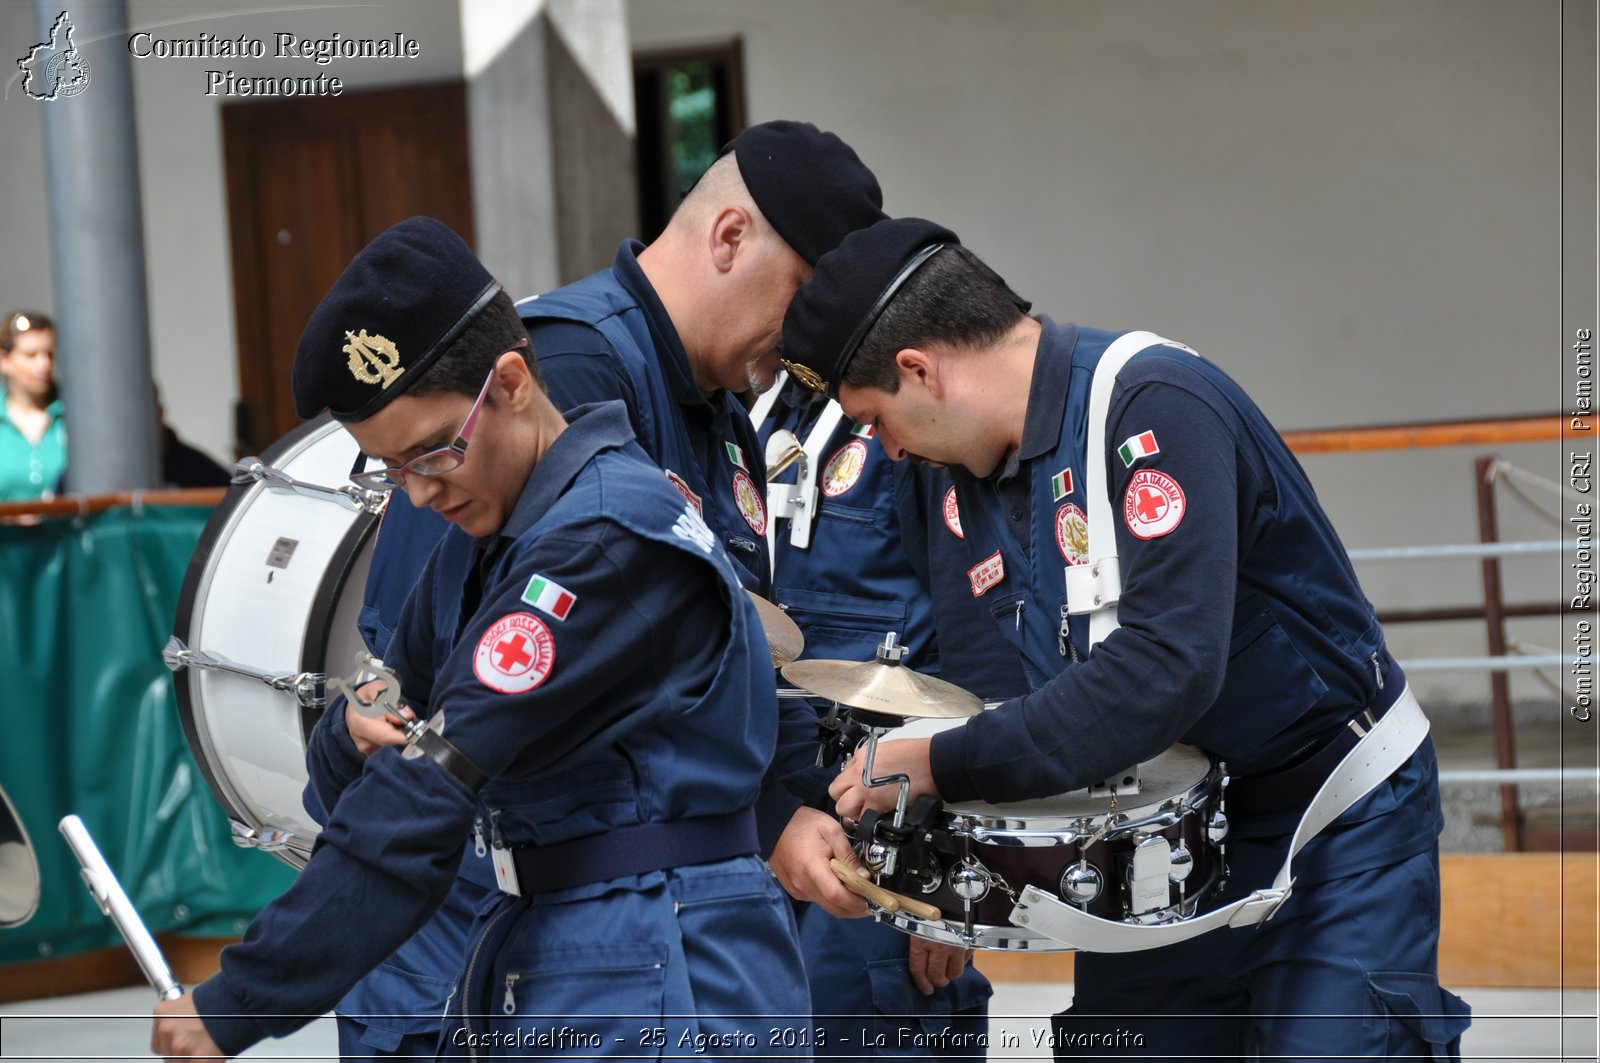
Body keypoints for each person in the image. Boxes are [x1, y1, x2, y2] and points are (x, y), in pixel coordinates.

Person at [780, 216, 1472, 1061]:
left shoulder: (1153, 406)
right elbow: (986, 688)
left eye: (876, 418)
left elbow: (1163, 670)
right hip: (1156, 836)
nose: (886, 448)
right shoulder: (958, 486)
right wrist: (957, 872)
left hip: (1326, 815)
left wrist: (938, 762)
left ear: (921, 371)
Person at [366, 120, 981, 1055]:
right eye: (806, 295)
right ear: (730, 236)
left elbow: (727, 661)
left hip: (616, 917)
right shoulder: (572, 370)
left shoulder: (714, 408)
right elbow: (469, 670)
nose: (813, 339)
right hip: (483, 895)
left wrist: (786, 808)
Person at [151, 216, 809, 1059]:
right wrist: (355, 730)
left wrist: (241, 998)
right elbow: (374, 752)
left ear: (511, 381)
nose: (418, 496)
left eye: (432, 454)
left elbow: (427, 793)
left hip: (663, 969)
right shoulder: (490, 549)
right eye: (389, 470)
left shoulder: (604, 542)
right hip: (562, 951)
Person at [756, 373, 1030, 1056]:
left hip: (883, 845)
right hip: (756, 829)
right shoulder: (742, 415)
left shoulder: (913, 424)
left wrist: (951, 869)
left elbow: (985, 659)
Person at [0, 311, 66, 501]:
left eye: (49, 354)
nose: (43, 364)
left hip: (62, 529)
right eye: (31, 355)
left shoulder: (72, 413)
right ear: (4, 361)